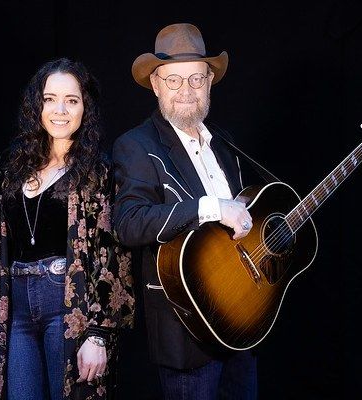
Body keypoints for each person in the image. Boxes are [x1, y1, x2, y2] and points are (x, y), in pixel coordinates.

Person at [0, 57, 135, 400]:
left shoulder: (98, 170)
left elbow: (114, 257)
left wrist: (97, 334)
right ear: (37, 105)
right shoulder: (11, 164)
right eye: (49, 99)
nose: (59, 110)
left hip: (67, 304)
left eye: (71, 100)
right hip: (16, 309)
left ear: (84, 108)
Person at [112, 23, 258, 399]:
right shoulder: (137, 145)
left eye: (196, 79)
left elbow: (240, 216)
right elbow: (128, 223)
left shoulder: (225, 144)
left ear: (210, 82)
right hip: (186, 331)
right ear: (156, 85)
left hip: (241, 320)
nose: (186, 91)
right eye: (173, 81)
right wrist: (212, 207)